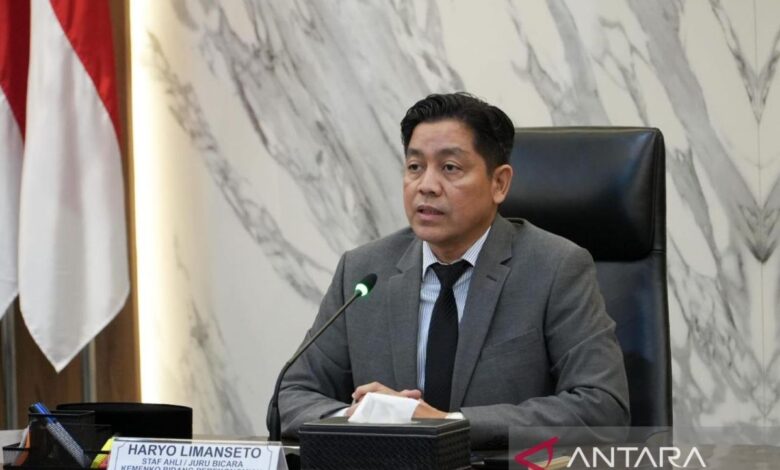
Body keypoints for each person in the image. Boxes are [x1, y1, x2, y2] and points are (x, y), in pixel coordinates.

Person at [270, 92, 630, 449]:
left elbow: (603, 407)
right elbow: (291, 395)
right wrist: (360, 419)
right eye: (415, 167)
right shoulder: (363, 271)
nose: (426, 185)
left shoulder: (555, 268)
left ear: (499, 183)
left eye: (450, 168)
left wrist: (448, 425)